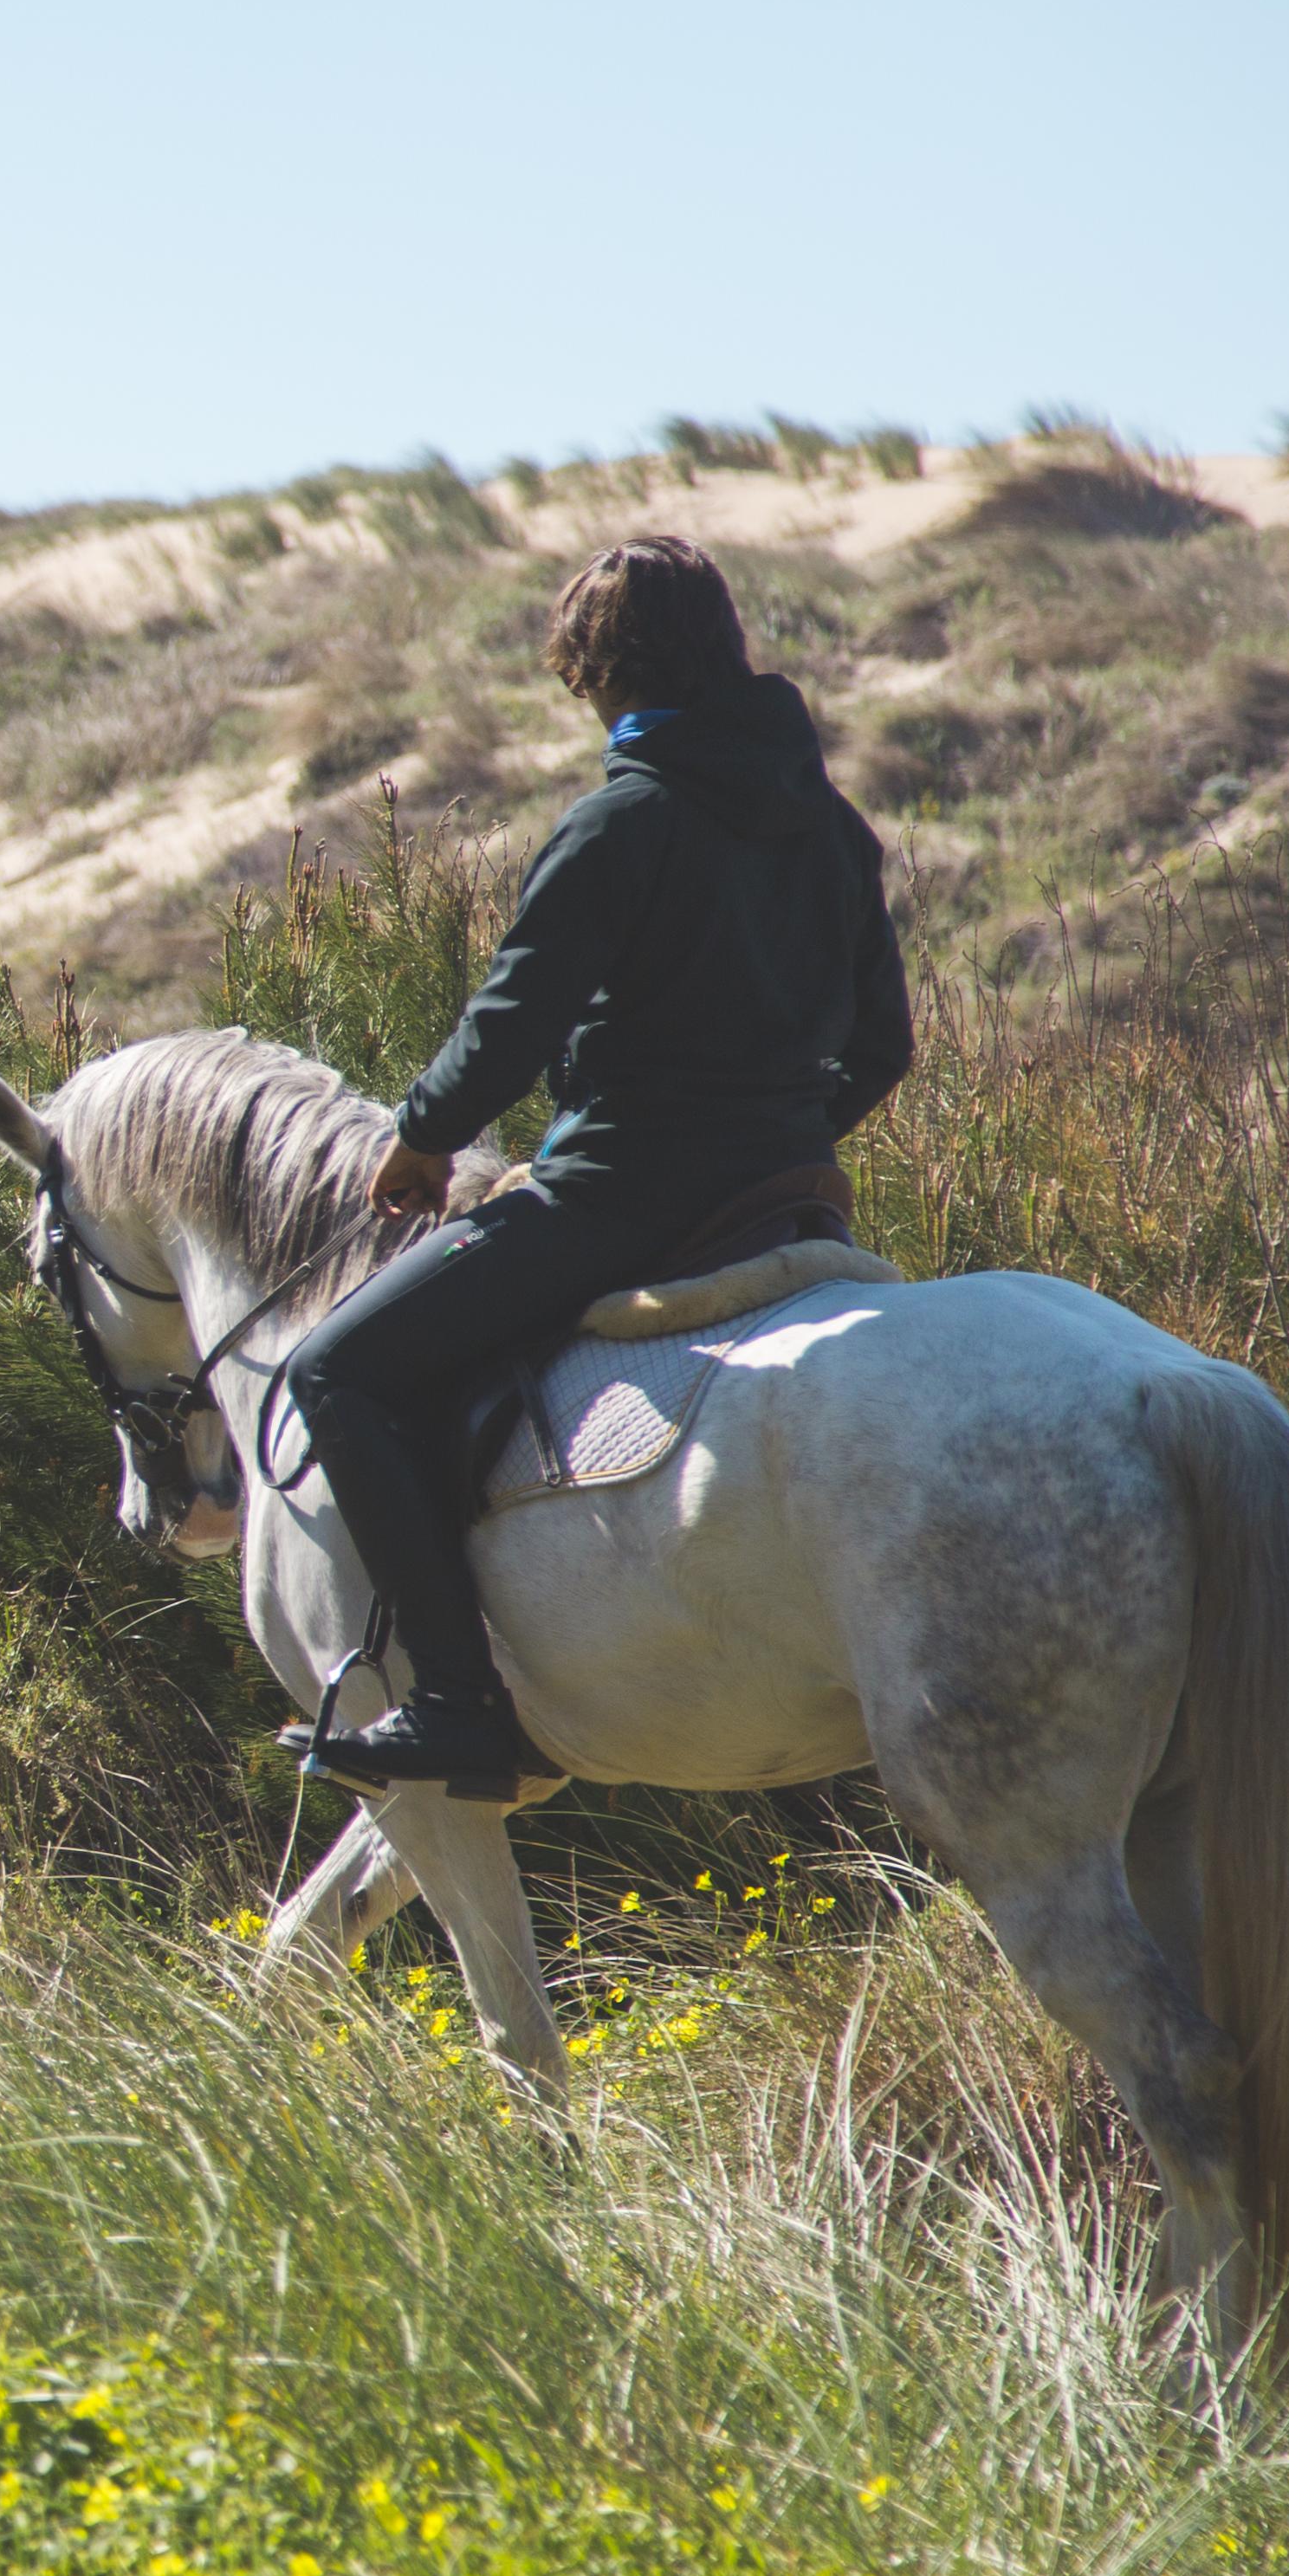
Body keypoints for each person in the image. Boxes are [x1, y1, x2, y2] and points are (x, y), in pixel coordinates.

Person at [282, 535, 912, 1795]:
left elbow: (512, 1019)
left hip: (619, 1191)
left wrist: (421, 1134)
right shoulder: (831, 830)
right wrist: (773, 1133)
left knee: (334, 1369)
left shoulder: (622, 819)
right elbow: (883, 1045)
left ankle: (456, 1700)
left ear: (602, 671)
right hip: (781, 1191)